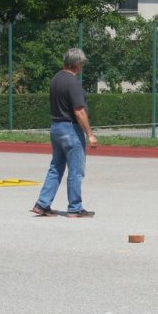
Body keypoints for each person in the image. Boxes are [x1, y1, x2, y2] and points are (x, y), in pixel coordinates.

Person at [31, 48, 98, 218]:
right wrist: (90, 134)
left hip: (56, 127)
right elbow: (79, 111)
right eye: (82, 63)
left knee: (56, 167)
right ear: (78, 64)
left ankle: (42, 204)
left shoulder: (55, 79)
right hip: (70, 129)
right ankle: (75, 208)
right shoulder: (73, 82)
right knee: (76, 170)